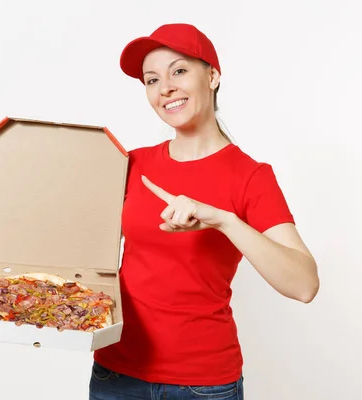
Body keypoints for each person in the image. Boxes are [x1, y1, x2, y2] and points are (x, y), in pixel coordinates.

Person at [89, 23, 320, 400]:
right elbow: (77, 246)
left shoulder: (251, 177)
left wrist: (225, 221)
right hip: (116, 374)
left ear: (212, 76)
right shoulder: (131, 164)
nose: (165, 88)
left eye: (179, 71)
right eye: (151, 80)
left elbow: (304, 285)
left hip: (203, 384)